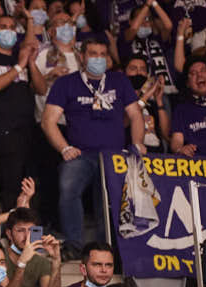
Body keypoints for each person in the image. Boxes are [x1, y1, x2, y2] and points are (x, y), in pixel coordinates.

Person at [42, 37, 145, 254]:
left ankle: (106, 251)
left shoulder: (119, 81)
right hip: (80, 154)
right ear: (82, 56)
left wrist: (137, 143)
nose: (98, 59)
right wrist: (64, 148)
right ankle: (74, 246)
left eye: (102, 54)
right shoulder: (66, 83)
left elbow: (136, 115)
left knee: (108, 202)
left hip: (114, 156)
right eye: (92, 54)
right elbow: (48, 121)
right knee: (68, 187)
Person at [0, 17, 39, 213]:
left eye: (12, 27)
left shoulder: (20, 59)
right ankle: (14, 234)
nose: (8, 31)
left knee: (33, 187)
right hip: (4, 130)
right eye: (3, 27)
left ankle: (34, 237)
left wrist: (31, 64)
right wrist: (19, 67)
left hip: (29, 129)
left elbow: (41, 89)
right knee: (12, 186)